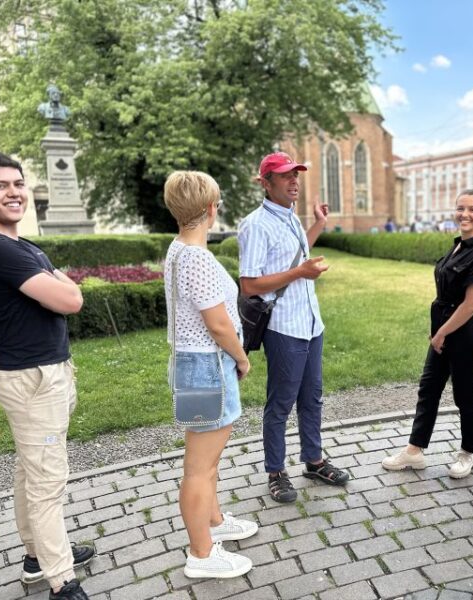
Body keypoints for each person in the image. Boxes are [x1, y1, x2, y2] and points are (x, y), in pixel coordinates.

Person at [0, 153, 94, 600]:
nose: (13, 192)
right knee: (47, 482)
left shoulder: (22, 246)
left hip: (44, 371)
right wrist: (65, 287)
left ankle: (34, 557)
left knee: (32, 472)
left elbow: (64, 292)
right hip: (32, 379)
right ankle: (61, 581)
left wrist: (63, 287)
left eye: (18, 183)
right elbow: (70, 300)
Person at [238, 152, 349, 503]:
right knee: (281, 403)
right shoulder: (256, 225)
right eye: (285, 176)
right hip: (284, 327)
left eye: (296, 174)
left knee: (312, 398)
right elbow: (250, 284)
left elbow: (297, 254)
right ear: (266, 183)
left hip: (311, 323)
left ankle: (313, 460)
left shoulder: (290, 218)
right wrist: (300, 273)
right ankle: (275, 471)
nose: (293, 181)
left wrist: (317, 224)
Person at [163, 170, 258, 579]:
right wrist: (242, 357)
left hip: (198, 365)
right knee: (199, 468)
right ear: (210, 209)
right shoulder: (196, 257)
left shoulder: (178, 249)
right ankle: (201, 554)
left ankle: (215, 521)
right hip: (207, 368)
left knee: (208, 461)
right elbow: (218, 324)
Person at [382, 189, 473, 478]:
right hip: (444, 328)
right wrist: (440, 332)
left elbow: (472, 304)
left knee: (466, 394)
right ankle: (414, 451)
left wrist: (442, 332)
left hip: (466, 331)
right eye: (460, 208)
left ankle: (468, 454)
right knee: (429, 388)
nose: (464, 214)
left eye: (472, 209)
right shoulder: (458, 246)